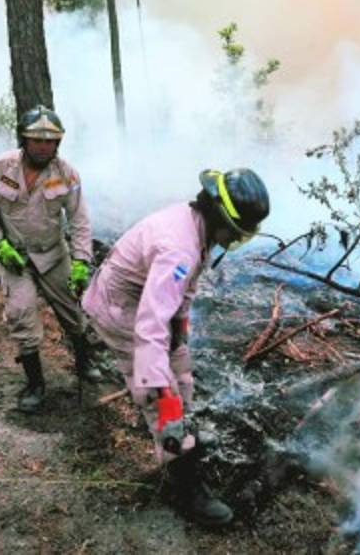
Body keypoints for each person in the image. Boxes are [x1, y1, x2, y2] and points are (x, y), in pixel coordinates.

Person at [81, 168, 270, 527]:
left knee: (182, 374)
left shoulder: (194, 225)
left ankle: (184, 436)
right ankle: (184, 487)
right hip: (121, 310)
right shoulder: (178, 250)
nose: (232, 240)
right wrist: (160, 388)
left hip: (143, 304)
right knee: (160, 397)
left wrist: (180, 333)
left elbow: (179, 296)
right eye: (235, 232)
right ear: (220, 215)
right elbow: (149, 326)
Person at [0, 105, 102, 413]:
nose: (43, 147)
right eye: (36, 140)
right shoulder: (0, 166)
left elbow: (80, 220)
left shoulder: (66, 174)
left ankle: (84, 361)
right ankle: (35, 383)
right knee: (21, 315)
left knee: (73, 313)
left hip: (53, 255)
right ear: (23, 139)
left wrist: (82, 260)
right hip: (14, 257)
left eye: (50, 141)